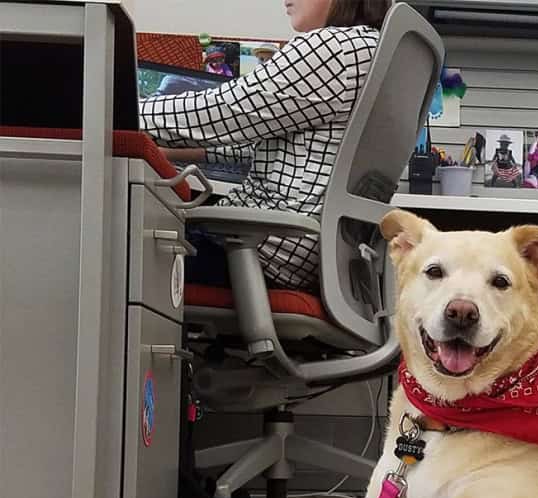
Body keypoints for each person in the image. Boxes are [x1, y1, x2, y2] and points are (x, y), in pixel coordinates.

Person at [139, 0, 391, 292]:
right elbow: (268, 140)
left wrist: (118, 107)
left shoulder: (335, 49)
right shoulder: (374, 51)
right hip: (306, 258)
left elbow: (220, 111)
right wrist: (184, 151)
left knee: (121, 245)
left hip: (253, 250)